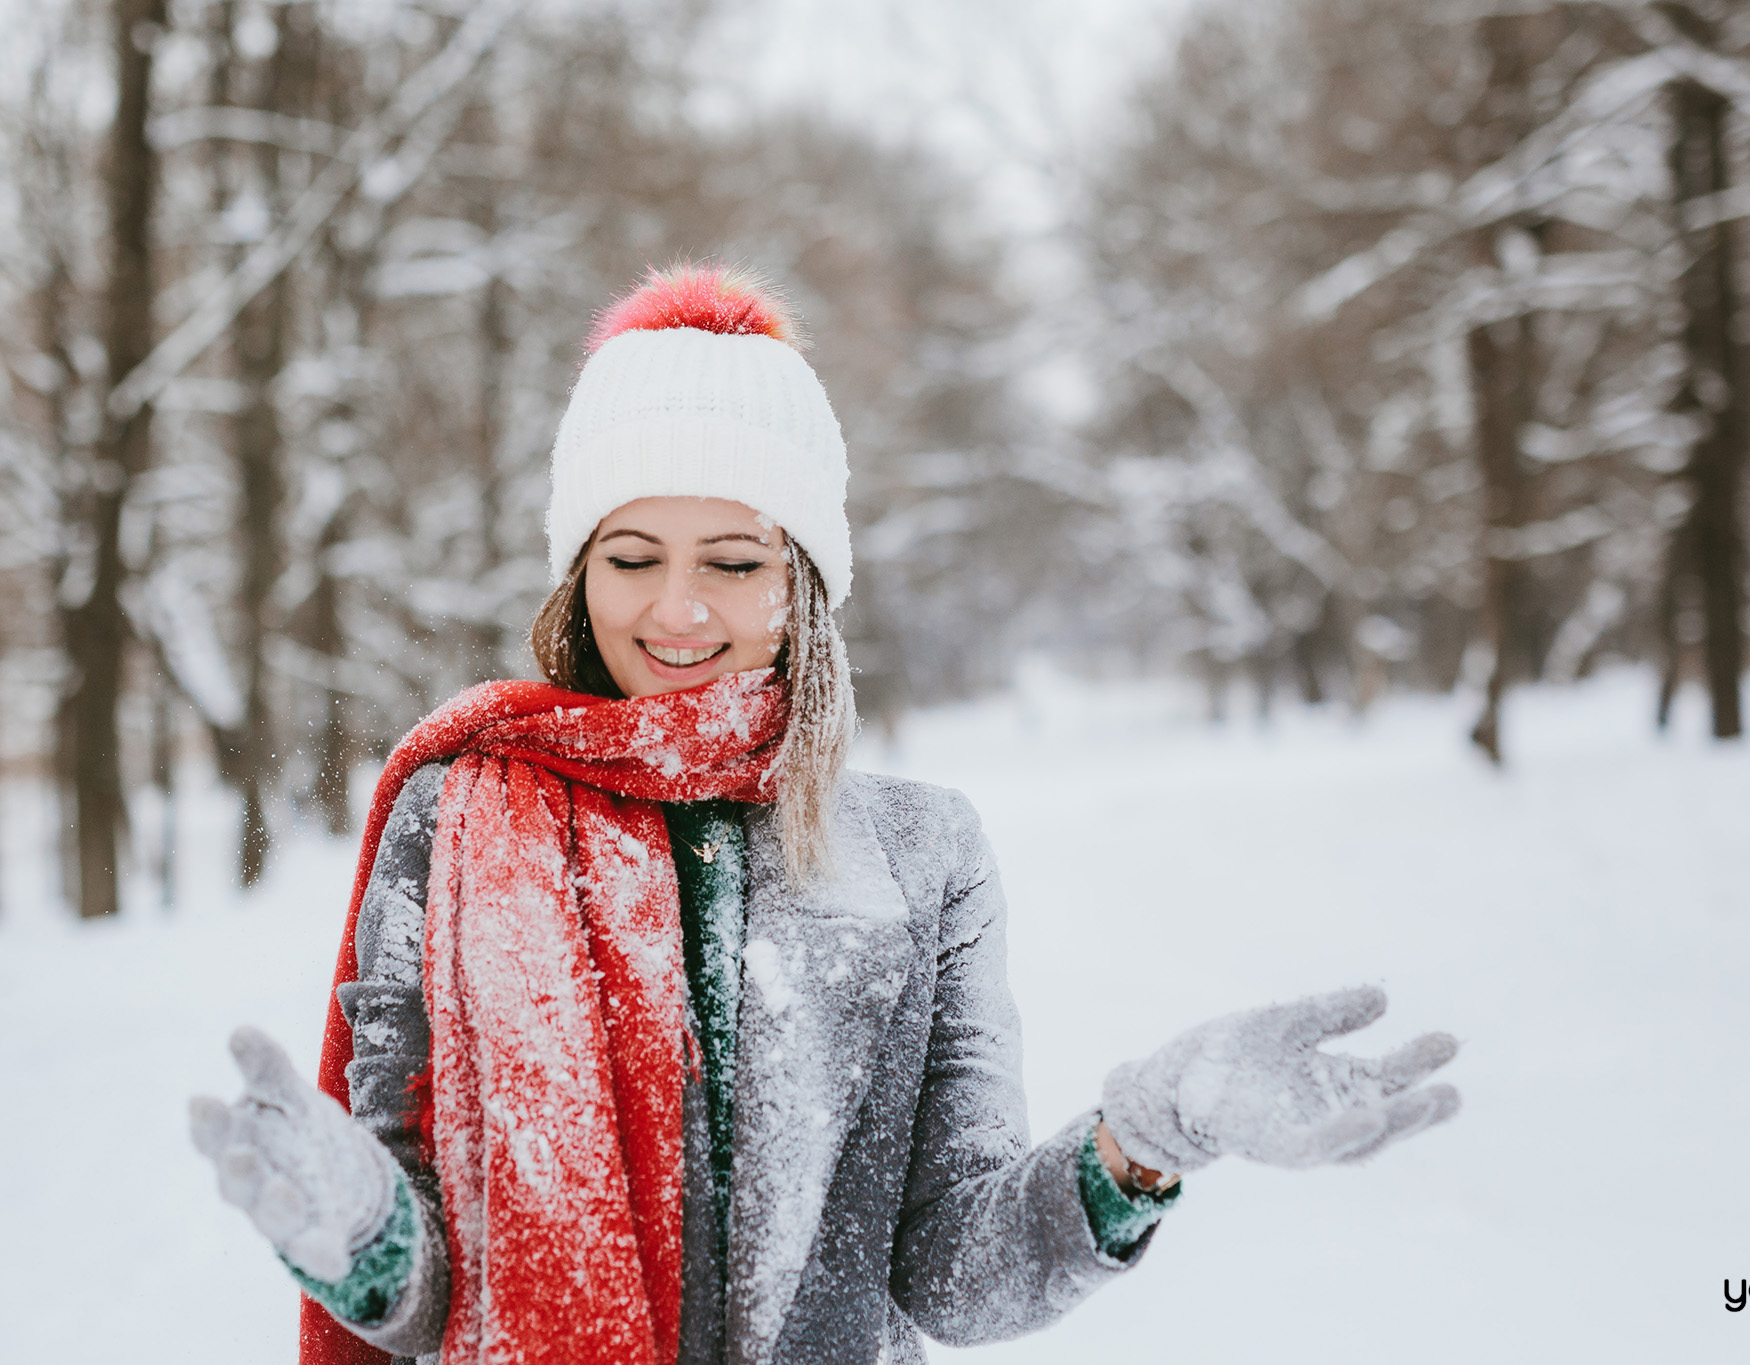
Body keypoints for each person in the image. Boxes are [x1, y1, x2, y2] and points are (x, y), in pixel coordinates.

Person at [189, 263, 1462, 1365]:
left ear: (801, 582)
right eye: (631, 558)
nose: (677, 611)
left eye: (732, 563)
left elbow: (953, 1267)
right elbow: (430, 1293)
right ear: (579, 578)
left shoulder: (921, 858)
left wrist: (1145, 1138)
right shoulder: (460, 817)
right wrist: (361, 1233)